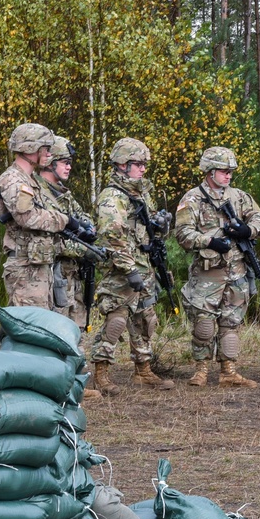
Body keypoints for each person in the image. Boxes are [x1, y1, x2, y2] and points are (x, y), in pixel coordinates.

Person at [174, 147, 260, 388]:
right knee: (203, 324)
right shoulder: (192, 199)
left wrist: (249, 230)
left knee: (231, 322)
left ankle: (228, 371)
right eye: (224, 171)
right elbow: (182, 234)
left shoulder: (239, 197)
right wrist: (209, 241)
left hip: (237, 270)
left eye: (231, 172)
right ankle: (201, 370)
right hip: (208, 273)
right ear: (209, 171)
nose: (229, 176)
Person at [88, 137, 174, 395]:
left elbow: (146, 231)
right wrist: (130, 270)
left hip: (144, 264)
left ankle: (143, 370)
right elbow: (111, 237)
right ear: (122, 165)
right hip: (121, 269)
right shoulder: (112, 197)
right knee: (116, 319)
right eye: (138, 163)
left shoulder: (142, 193)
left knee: (146, 318)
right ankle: (100, 373)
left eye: (144, 164)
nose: (143, 168)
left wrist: (161, 224)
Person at [0, 123, 94, 309]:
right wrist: (65, 221)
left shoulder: (30, 180)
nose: (49, 155)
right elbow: (27, 218)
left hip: (38, 264)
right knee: (29, 327)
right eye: (46, 149)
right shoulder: (13, 180)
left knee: (40, 328)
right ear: (31, 149)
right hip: (25, 268)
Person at [38, 135, 102, 399]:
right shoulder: (40, 194)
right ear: (50, 162)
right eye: (64, 162)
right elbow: (50, 240)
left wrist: (87, 235)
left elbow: (86, 223)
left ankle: (76, 380)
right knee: (56, 328)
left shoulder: (64, 195)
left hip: (72, 272)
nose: (68, 167)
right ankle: (58, 382)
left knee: (75, 324)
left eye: (69, 162)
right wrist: (84, 248)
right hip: (53, 273)